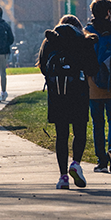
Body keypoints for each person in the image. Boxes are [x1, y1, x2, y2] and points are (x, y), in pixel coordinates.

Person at [38, 15, 99, 189]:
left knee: (61, 135)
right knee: (79, 131)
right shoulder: (82, 41)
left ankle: (63, 176)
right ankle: (76, 164)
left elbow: (43, 66)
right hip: (78, 92)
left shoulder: (50, 41)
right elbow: (93, 68)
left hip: (57, 94)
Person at [84, 0, 111, 173]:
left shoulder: (87, 32)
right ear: (108, 12)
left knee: (97, 123)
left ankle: (102, 161)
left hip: (93, 85)